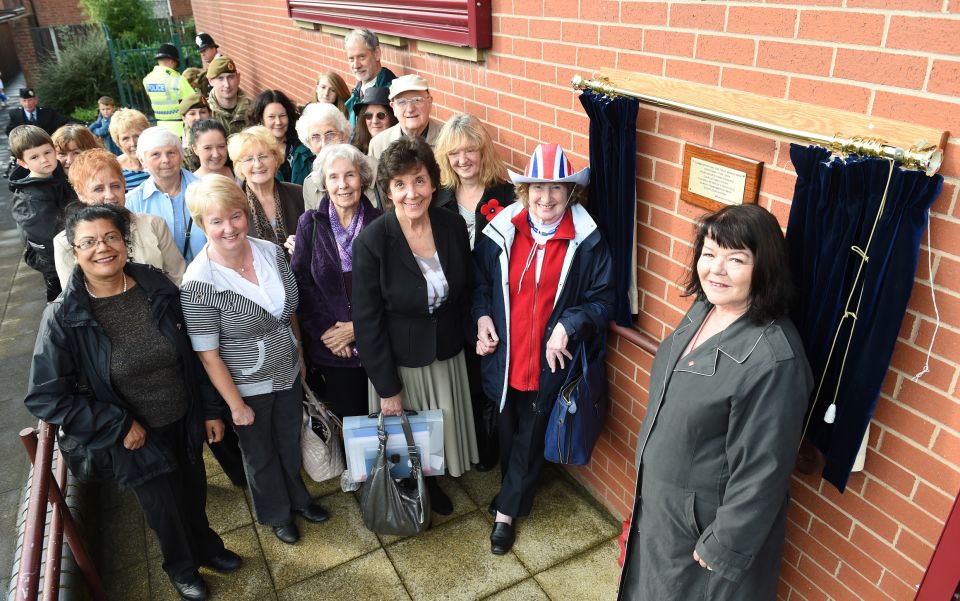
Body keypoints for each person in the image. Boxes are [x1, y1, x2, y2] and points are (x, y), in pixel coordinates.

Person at [24, 203, 243, 601]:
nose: (102, 248)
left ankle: (207, 546)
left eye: (110, 237)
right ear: (74, 252)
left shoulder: (156, 287)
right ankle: (181, 568)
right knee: (163, 509)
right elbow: (46, 396)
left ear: (124, 242)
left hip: (183, 415)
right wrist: (117, 425)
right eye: (88, 242)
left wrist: (210, 410)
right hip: (134, 435)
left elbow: (196, 352)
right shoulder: (63, 317)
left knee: (193, 490)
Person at [618, 205, 813, 601]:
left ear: (764, 267)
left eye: (736, 259)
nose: (716, 270)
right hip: (663, 512)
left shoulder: (773, 361)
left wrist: (723, 545)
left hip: (704, 535)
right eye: (709, 254)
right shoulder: (704, 309)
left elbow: (764, 470)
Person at [473, 143, 614, 555]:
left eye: (556, 188)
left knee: (531, 436)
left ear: (570, 194)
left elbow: (603, 300)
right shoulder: (502, 231)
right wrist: (481, 318)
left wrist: (569, 325)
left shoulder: (588, 241)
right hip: (506, 356)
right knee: (507, 429)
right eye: (538, 188)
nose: (546, 198)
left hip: (550, 361)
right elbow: (480, 287)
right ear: (525, 191)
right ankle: (511, 491)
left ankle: (507, 513)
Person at [181, 174, 329, 544]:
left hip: (289, 370)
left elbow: (288, 311)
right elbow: (208, 354)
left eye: (235, 216)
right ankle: (276, 514)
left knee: (288, 441)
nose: (229, 228)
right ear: (202, 225)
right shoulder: (199, 283)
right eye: (216, 221)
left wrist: (299, 351)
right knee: (260, 455)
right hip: (247, 384)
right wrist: (235, 405)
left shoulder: (269, 250)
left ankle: (298, 497)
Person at [353, 136, 479, 516]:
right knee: (407, 435)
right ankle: (415, 487)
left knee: (441, 428)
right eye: (400, 184)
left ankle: (435, 479)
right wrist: (387, 388)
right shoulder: (372, 242)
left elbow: (468, 289)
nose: (412, 193)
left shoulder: (452, 225)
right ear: (388, 191)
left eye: (420, 180)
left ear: (433, 181)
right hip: (402, 360)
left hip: (446, 351)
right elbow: (367, 321)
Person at [434, 114, 514, 471]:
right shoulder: (440, 198)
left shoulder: (507, 194)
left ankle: (496, 443)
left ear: (483, 152)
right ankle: (477, 447)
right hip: (454, 304)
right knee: (465, 378)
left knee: (492, 377)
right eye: (454, 154)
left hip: (496, 301)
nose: (463, 160)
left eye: (470, 151)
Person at [291, 144, 382, 418]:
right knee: (350, 424)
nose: (343, 185)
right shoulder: (310, 224)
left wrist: (357, 329)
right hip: (333, 349)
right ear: (324, 183)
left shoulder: (382, 224)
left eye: (350, 175)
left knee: (387, 421)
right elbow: (301, 284)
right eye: (333, 177)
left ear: (363, 178)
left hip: (377, 346)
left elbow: (391, 287)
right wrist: (330, 332)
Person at [53, 149, 185, 287]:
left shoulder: (153, 224)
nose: (110, 195)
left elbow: (178, 277)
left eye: (115, 186)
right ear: (80, 193)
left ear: (124, 185)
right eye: (98, 189)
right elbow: (73, 298)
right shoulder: (65, 242)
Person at [8, 125, 78, 301]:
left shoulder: (57, 177)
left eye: (47, 152)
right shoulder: (29, 199)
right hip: (57, 266)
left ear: (54, 150)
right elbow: (49, 241)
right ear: (23, 163)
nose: (44, 160)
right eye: (34, 157)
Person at [126, 126, 207, 263]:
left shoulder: (206, 189)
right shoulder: (133, 202)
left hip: (209, 275)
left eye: (171, 153)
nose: (165, 160)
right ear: (142, 160)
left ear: (181, 156)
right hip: (162, 281)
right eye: (155, 154)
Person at [228, 126, 305, 252]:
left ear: (276, 158)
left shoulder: (298, 194)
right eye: (249, 159)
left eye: (263, 156)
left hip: (299, 270)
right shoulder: (232, 204)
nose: (258, 164)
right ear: (239, 166)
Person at [367, 74, 440, 160]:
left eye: (417, 100)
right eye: (402, 102)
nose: (410, 109)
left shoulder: (448, 140)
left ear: (429, 102)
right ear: (393, 107)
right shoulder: (378, 145)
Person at [296, 103, 354, 211]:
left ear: (344, 136)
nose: (324, 144)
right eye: (315, 137)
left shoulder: (370, 170)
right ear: (309, 144)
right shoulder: (309, 184)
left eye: (330, 134)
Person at [251, 90, 312, 185]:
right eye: (271, 117)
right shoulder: (252, 150)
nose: (278, 122)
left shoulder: (304, 146)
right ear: (261, 119)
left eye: (282, 115)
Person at [343, 28, 397, 127]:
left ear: (377, 54)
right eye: (351, 59)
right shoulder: (357, 92)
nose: (356, 65)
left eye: (361, 57)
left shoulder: (393, 93)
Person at [142, 43, 196, 137]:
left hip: (161, 128)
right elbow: (194, 101)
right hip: (180, 129)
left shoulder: (147, 80)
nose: (175, 66)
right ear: (172, 61)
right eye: (176, 63)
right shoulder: (178, 80)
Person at [108, 108, 151, 191]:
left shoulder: (161, 161)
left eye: (137, 136)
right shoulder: (114, 169)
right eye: (125, 138)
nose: (132, 143)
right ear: (118, 142)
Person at [206, 57, 250, 136]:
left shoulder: (252, 108)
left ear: (238, 78)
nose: (227, 85)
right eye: (220, 78)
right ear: (210, 81)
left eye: (230, 77)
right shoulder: (204, 112)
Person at [5, 87, 73, 136]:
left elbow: (66, 120)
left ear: (36, 100)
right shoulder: (15, 114)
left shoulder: (48, 113)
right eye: (24, 101)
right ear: (20, 102)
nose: (27, 104)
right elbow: (9, 131)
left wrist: (82, 124)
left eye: (30, 100)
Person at [351, 86, 396, 155]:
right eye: (368, 116)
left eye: (381, 115)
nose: (375, 121)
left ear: (392, 117)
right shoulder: (355, 149)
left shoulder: (400, 149)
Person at [180, 94, 212, 171]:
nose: (198, 117)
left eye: (203, 112)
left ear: (210, 114)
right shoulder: (181, 146)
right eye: (192, 114)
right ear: (184, 118)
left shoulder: (220, 136)